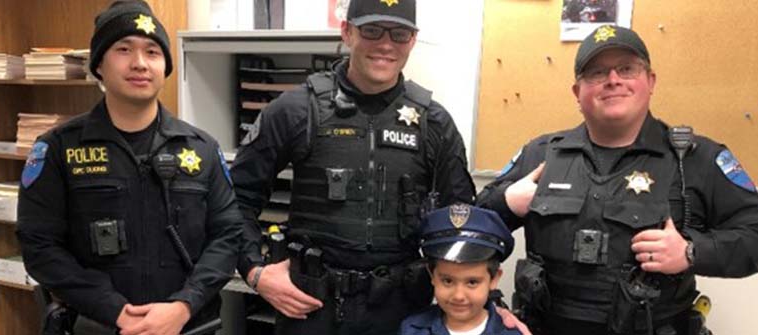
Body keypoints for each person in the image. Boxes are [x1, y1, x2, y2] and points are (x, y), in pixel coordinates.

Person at [228, 0, 519, 333]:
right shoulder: (296, 110)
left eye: (399, 34)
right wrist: (255, 272)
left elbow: (464, 220)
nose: (385, 44)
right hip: (309, 307)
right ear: (347, 31)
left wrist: (491, 304)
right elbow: (235, 198)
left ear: (412, 40)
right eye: (371, 30)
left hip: (401, 312)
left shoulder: (433, 122)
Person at [478, 24, 758, 335]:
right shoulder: (541, 155)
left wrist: (692, 251)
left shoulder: (695, 159)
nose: (613, 80)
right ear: (577, 92)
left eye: (627, 69)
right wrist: (493, 304)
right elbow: (468, 228)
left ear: (650, 81)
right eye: (597, 72)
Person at [16, 1, 255, 334]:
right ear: (99, 63)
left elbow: (228, 236)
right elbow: (39, 247)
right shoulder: (58, 149)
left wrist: (183, 305)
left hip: (187, 325)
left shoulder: (201, 148)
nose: (140, 63)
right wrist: (116, 311)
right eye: (124, 49)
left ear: (165, 65)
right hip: (98, 325)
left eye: (153, 52)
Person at [399, 204, 522, 335]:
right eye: (447, 281)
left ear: (494, 279)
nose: (458, 296)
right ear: (432, 275)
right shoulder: (411, 330)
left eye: (472, 282)